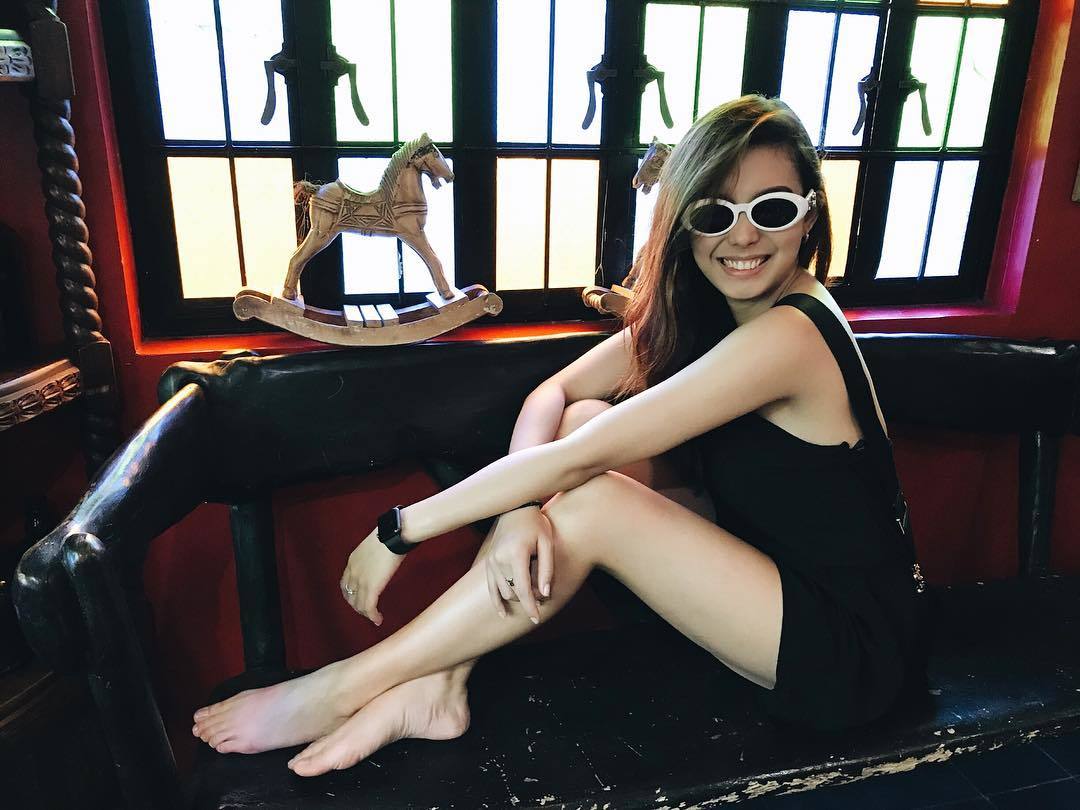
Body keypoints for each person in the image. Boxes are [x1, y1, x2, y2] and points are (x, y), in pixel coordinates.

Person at [192, 94, 929, 776]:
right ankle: (439, 685)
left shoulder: (792, 334)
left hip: (851, 651)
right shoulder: (709, 312)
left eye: (771, 209)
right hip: (768, 581)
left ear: (809, 216)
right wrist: (518, 515)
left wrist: (399, 530)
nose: (741, 236)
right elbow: (558, 395)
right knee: (581, 422)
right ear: (685, 222)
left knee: (590, 491)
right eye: (714, 213)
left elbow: (580, 463)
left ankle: (343, 687)